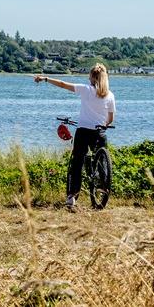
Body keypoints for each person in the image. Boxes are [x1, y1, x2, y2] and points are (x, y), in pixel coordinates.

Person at [34, 63, 115, 210]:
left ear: (91, 77)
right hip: (99, 132)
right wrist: (103, 123)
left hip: (83, 131)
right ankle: (103, 189)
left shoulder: (86, 90)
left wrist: (45, 78)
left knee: (77, 163)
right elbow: (110, 119)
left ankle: (72, 197)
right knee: (102, 163)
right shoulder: (110, 95)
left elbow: (63, 84)